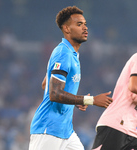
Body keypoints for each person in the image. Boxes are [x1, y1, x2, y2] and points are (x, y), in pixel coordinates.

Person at [28, 6, 113, 150]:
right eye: (79, 24)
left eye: (85, 24)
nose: (85, 28)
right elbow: (54, 93)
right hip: (48, 130)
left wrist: (73, 100)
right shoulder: (63, 53)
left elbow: (45, 84)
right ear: (67, 29)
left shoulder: (72, 54)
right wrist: (90, 100)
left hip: (65, 131)